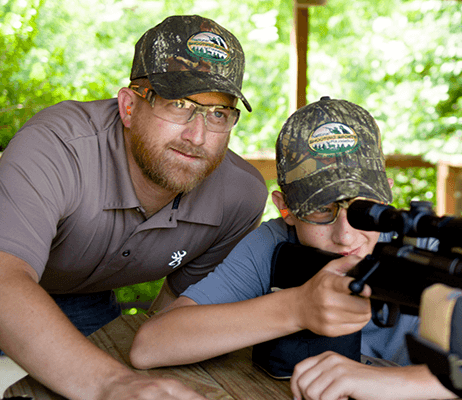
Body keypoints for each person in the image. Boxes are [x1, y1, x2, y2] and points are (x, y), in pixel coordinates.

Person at [0, 15, 267, 400]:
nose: (197, 136)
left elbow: (173, 323)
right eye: (178, 104)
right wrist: (113, 383)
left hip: (85, 299)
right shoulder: (56, 146)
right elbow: (5, 279)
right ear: (128, 106)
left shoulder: (239, 197)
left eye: (218, 114)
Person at [130, 96, 458, 400]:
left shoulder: (425, 245)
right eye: (320, 210)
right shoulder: (273, 245)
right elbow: (151, 345)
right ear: (285, 207)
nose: (345, 235)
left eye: (361, 208)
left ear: (385, 194)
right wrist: (296, 308)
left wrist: (379, 380)